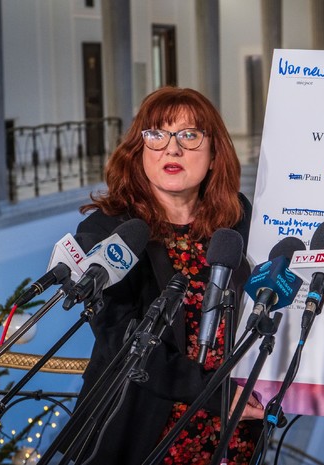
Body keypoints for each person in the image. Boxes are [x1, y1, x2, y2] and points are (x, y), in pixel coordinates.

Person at [69, 86, 263, 464]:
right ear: (139, 150)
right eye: (157, 134)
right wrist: (212, 392)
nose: (172, 149)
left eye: (189, 135)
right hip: (142, 431)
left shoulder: (237, 217)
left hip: (233, 426)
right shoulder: (108, 231)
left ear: (214, 154)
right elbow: (123, 343)